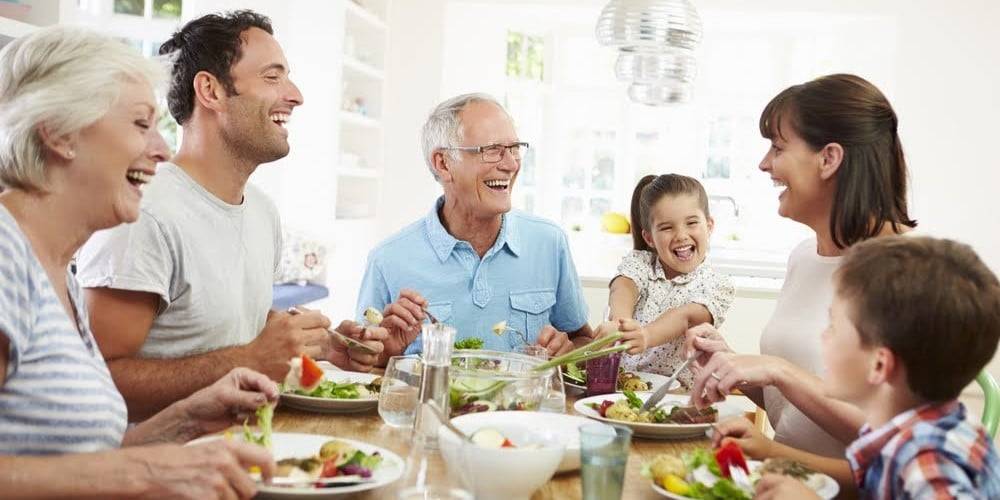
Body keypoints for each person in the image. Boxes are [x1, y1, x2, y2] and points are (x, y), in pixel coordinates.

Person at [0, 26, 276, 499]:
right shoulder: (6, 255)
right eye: (140, 124)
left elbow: (81, 461)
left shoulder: (57, 273)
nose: (162, 149)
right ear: (60, 133)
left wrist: (185, 420)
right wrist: (145, 472)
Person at [76, 10, 387, 420]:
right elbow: (99, 380)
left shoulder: (262, 212)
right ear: (211, 90)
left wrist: (323, 347)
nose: (295, 95)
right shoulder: (143, 214)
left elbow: (231, 327)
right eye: (272, 77)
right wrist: (251, 359)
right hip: (164, 455)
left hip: (247, 444)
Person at [682, 73, 918, 488]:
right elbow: (792, 409)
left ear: (829, 159)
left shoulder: (910, 274)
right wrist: (732, 364)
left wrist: (778, 372)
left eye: (778, 147)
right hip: (779, 484)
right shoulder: (804, 257)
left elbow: (896, 452)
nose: (764, 164)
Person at [748, 236, 1000, 499]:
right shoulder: (904, 427)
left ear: (879, 365)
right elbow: (866, 481)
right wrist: (771, 455)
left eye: (833, 326)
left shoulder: (929, 463)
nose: (823, 336)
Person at [356, 93, 593, 364]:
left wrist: (569, 352)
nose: (511, 164)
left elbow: (584, 341)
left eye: (514, 148)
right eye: (492, 150)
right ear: (443, 163)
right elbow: (362, 364)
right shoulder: (387, 260)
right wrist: (384, 354)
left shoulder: (549, 242)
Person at [595, 174, 734, 389]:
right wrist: (619, 324)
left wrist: (646, 335)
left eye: (691, 223)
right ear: (649, 238)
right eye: (667, 227)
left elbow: (685, 317)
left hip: (679, 396)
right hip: (623, 389)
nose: (681, 235)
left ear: (709, 226)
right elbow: (623, 287)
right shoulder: (640, 263)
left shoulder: (717, 284)